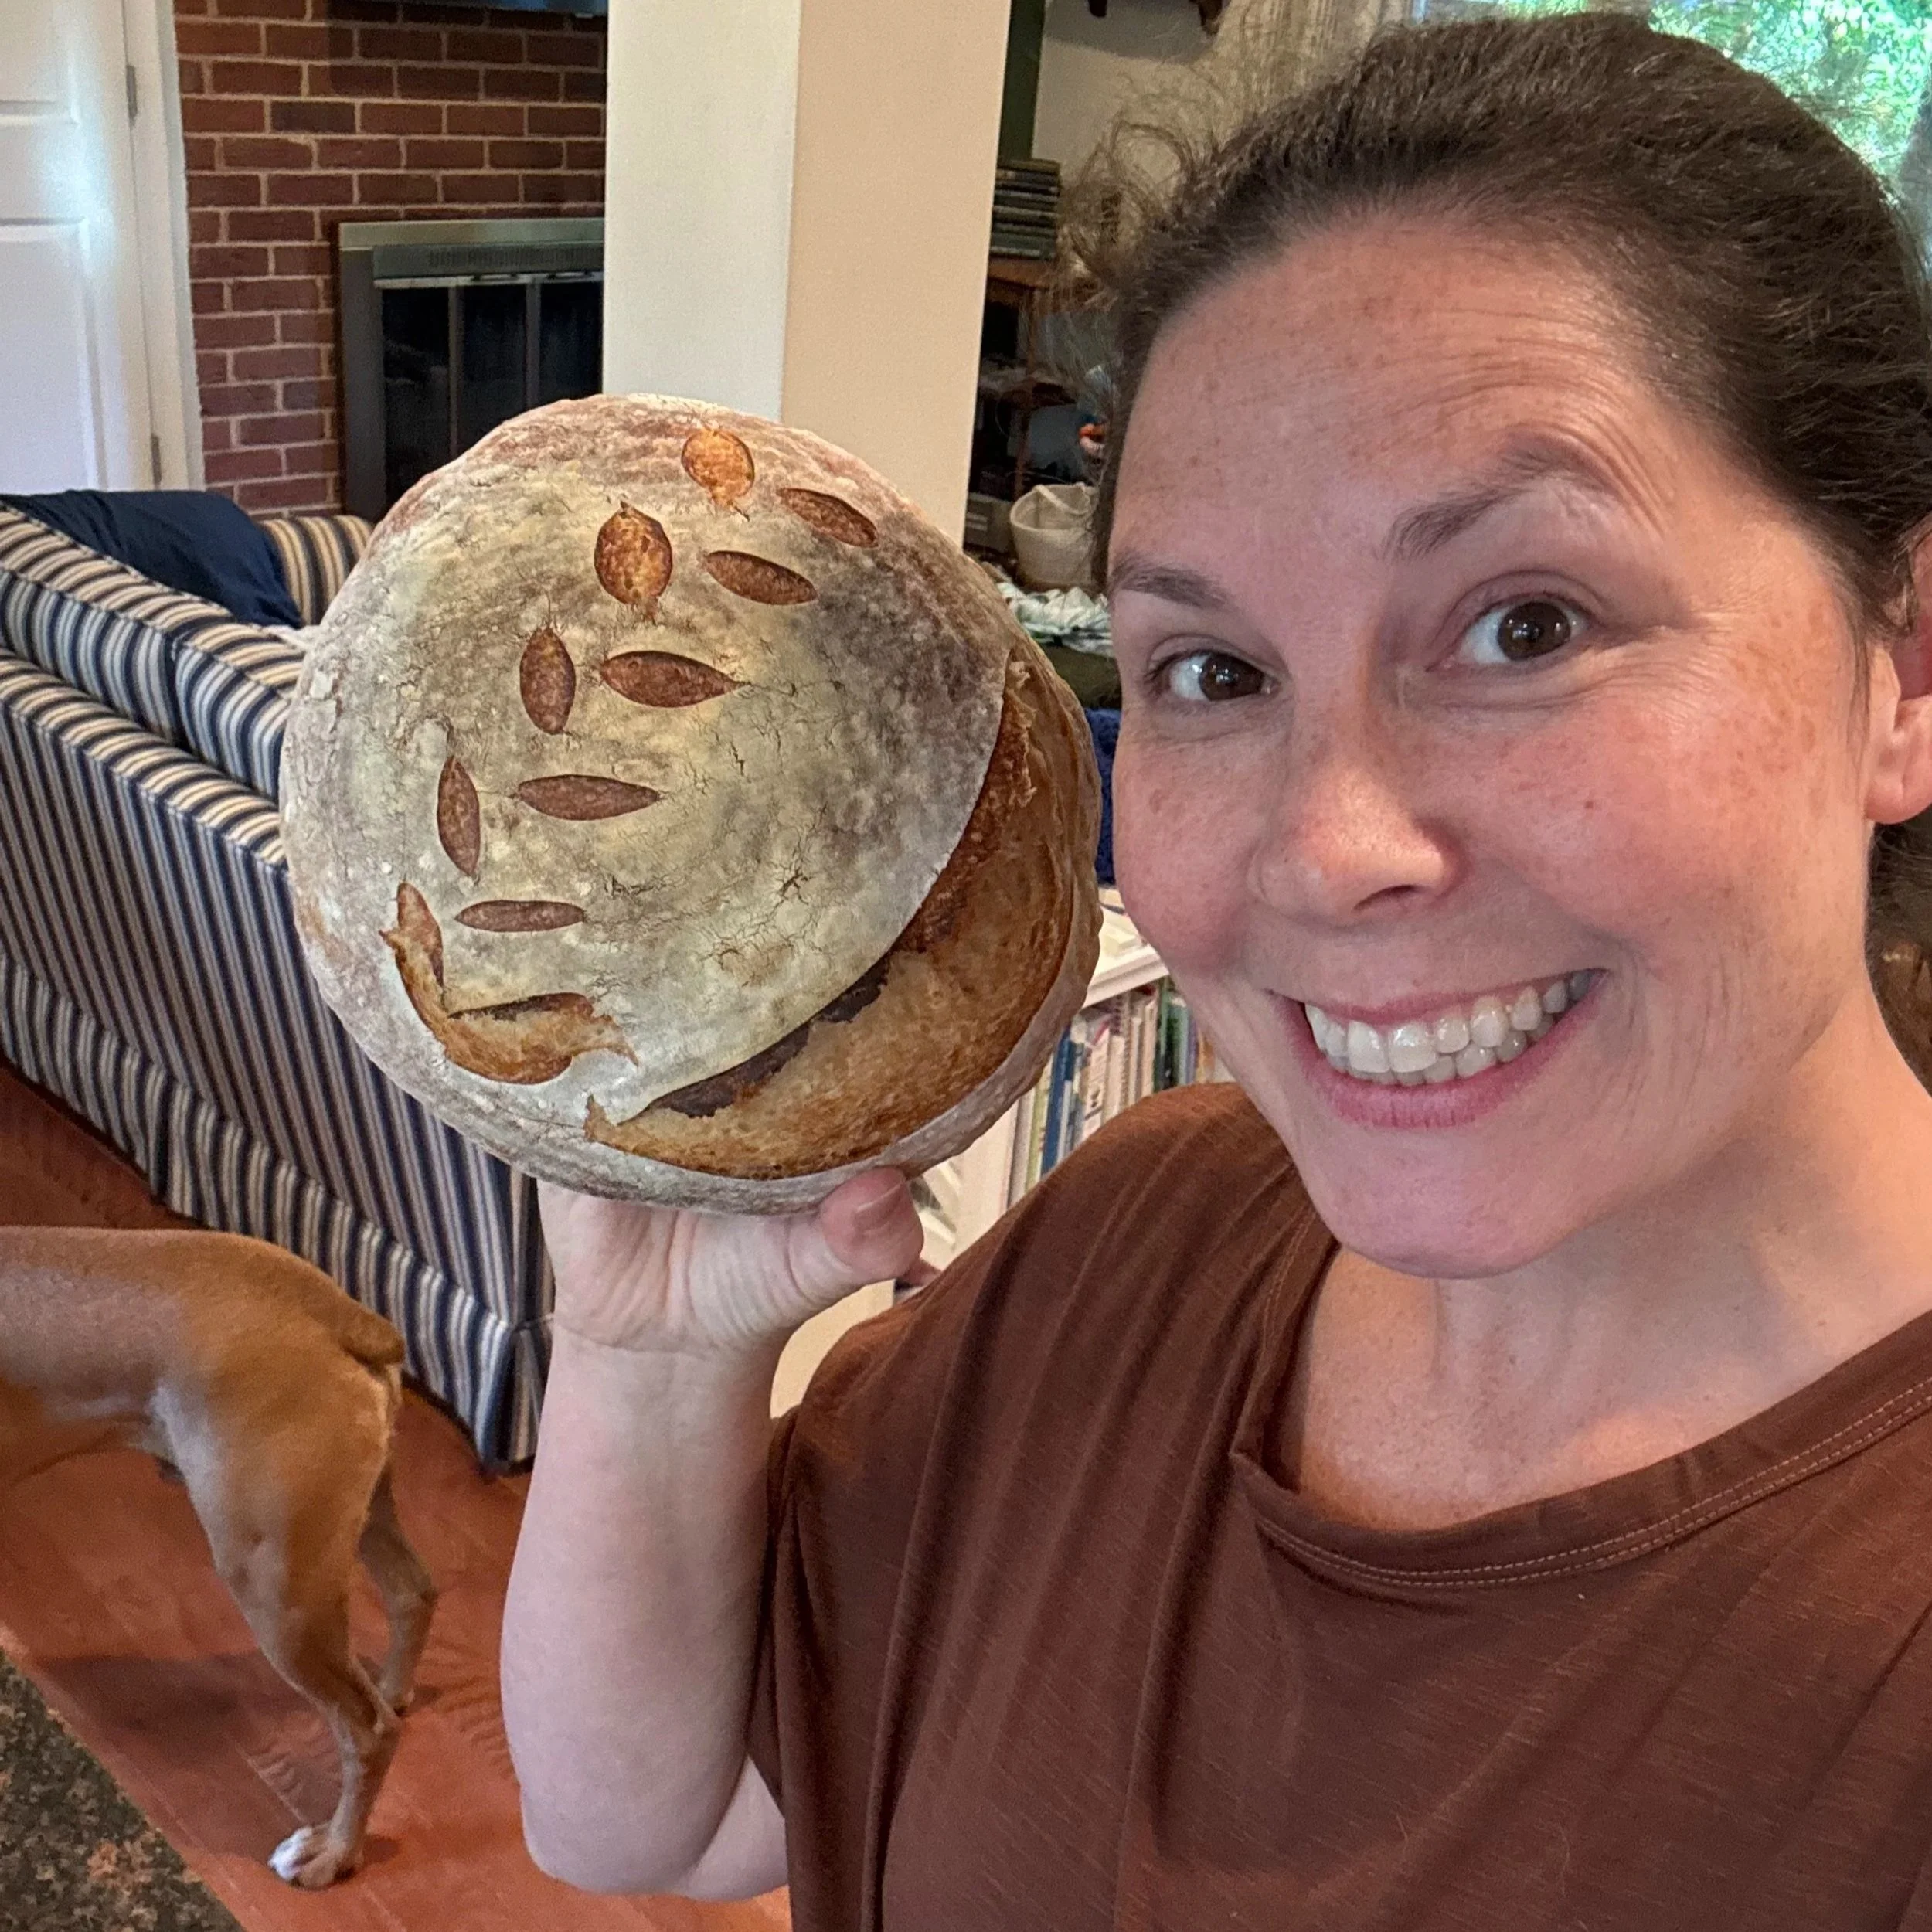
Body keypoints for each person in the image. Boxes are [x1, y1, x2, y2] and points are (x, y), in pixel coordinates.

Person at [500, 13, 1932, 1926]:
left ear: (1898, 663)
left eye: (1524, 620)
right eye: (1212, 670)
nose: (1329, 844)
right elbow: (658, 1823)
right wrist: (649, 1343)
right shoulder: (1141, 1237)